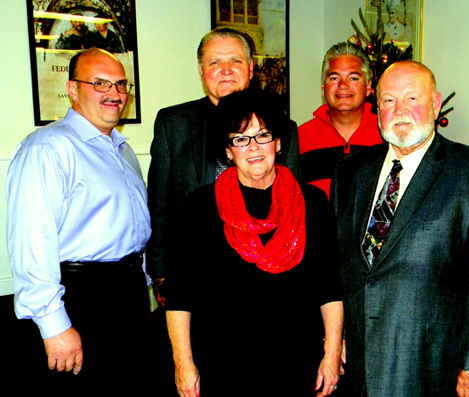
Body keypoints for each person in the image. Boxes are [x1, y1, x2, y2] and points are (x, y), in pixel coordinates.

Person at [333, 61, 469, 397]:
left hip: (434, 370)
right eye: (388, 101)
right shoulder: (350, 173)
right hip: (359, 369)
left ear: (435, 105)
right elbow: (343, 266)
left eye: (412, 99)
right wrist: (338, 337)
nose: (399, 111)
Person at [165, 89, 343, 397]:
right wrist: (183, 364)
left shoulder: (312, 202)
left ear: (278, 142)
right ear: (228, 150)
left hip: (297, 364)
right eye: (240, 138)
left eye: (262, 135)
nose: (253, 147)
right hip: (223, 367)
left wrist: (330, 355)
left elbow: (329, 287)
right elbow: (180, 295)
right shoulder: (200, 206)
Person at [6, 49, 150, 396]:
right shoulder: (48, 148)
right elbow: (31, 242)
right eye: (99, 83)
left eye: (120, 84)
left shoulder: (122, 149)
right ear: (72, 89)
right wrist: (55, 326)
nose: (114, 94)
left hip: (127, 293)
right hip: (81, 299)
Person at [146, 27, 301, 301]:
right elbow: (159, 204)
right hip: (193, 270)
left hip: (263, 272)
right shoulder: (173, 124)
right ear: (201, 70)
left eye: (235, 61)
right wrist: (159, 270)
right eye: (215, 62)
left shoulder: (283, 129)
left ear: (251, 69)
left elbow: (292, 208)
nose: (226, 69)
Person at [298, 42, 383, 198]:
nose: (343, 85)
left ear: (369, 87)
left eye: (354, 78)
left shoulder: (386, 135)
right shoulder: (299, 139)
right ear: (323, 88)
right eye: (334, 78)